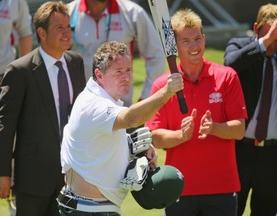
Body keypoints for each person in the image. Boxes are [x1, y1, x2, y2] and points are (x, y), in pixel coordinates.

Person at [58, 40, 184, 215]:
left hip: (93, 208)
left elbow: (99, 145)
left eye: (128, 70)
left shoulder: (102, 99)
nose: (126, 77)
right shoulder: (94, 104)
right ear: (99, 74)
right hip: (88, 210)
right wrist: (167, 91)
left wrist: (132, 148)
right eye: (118, 71)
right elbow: (132, 118)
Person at [145, 8, 248, 216]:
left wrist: (214, 128)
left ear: (204, 39)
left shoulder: (227, 77)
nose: (195, 46)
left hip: (222, 188)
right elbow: (155, 137)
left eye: (198, 39)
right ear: (174, 46)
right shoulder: (161, 86)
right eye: (186, 41)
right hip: (177, 188)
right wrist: (180, 135)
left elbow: (239, 130)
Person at [0, 2, 86, 216]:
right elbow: (5, 126)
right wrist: (2, 173)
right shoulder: (19, 70)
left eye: (68, 27)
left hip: (72, 177)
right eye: (59, 28)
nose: (66, 33)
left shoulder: (76, 63)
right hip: (33, 180)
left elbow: (83, 117)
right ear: (42, 33)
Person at [224, 3, 277, 216]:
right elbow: (229, 65)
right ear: (256, 29)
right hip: (240, 150)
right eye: (269, 37)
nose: (273, 45)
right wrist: (264, 43)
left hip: (272, 155)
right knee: (232, 209)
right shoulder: (240, 45)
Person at [67, 0, 166, 106]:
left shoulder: (132, 12)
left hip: (120, 110)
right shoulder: (68, 12)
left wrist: (146, 99)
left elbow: (156, 55)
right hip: (79, 107)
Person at [0, 0, 32, 163]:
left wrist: (23, 73)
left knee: (1, 133)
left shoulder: (15, 2)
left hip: (0, 78)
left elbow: (25, 33)